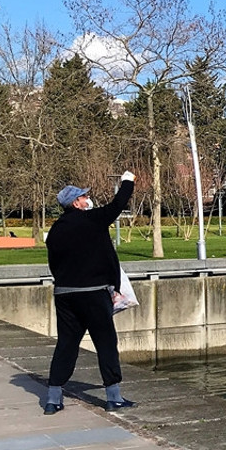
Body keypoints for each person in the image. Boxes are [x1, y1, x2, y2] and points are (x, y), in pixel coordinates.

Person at [43, 171, 136, 415]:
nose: (88, 199)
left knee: (66, 344)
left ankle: (53, 398)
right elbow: (118, 204)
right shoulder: (92, 220)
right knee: (105, 342)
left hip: (65, 294)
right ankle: (113, 397)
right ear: (76, 203)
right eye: (85, 197)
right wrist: (128, 181)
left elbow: (54, 264)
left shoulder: (55, 231)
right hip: (93, 293)